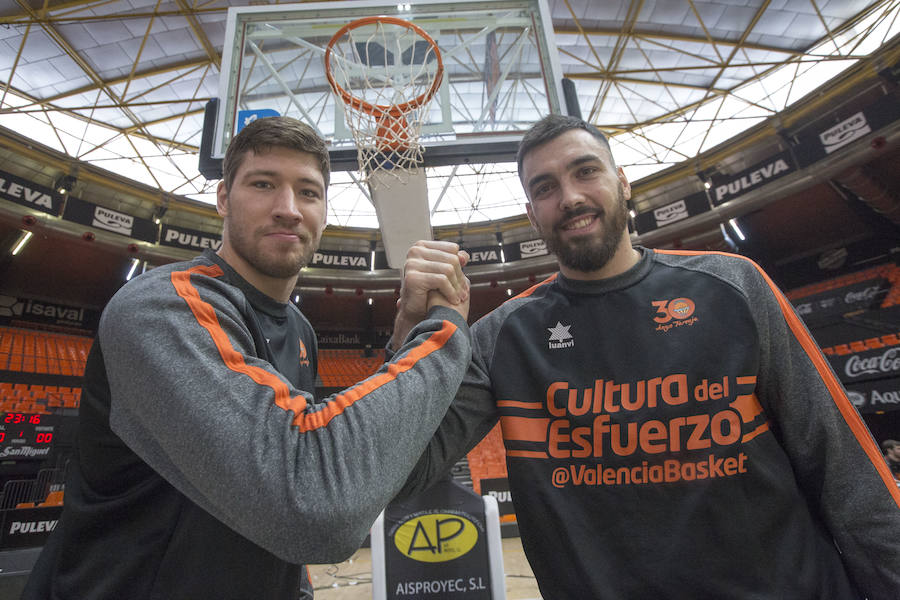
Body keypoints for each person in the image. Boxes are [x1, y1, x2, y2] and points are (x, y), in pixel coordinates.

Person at [392, 114, 900, 598]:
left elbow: (844, 469)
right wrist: (412, 335)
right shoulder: (503, 335)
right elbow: (398, 469)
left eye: (586, 171)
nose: (569, 197)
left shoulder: (733, 284)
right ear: (531, 214)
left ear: (623, 182)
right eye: (544, 188)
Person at [23, 116, 473, 600]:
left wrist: (403, 342)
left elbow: (325, 469)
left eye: (308, 192)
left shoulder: (299, 331)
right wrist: (443, 330)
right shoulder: (160, 307)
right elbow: (309, 498)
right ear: (222, 198)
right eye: (263, 184)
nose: (288, 209)